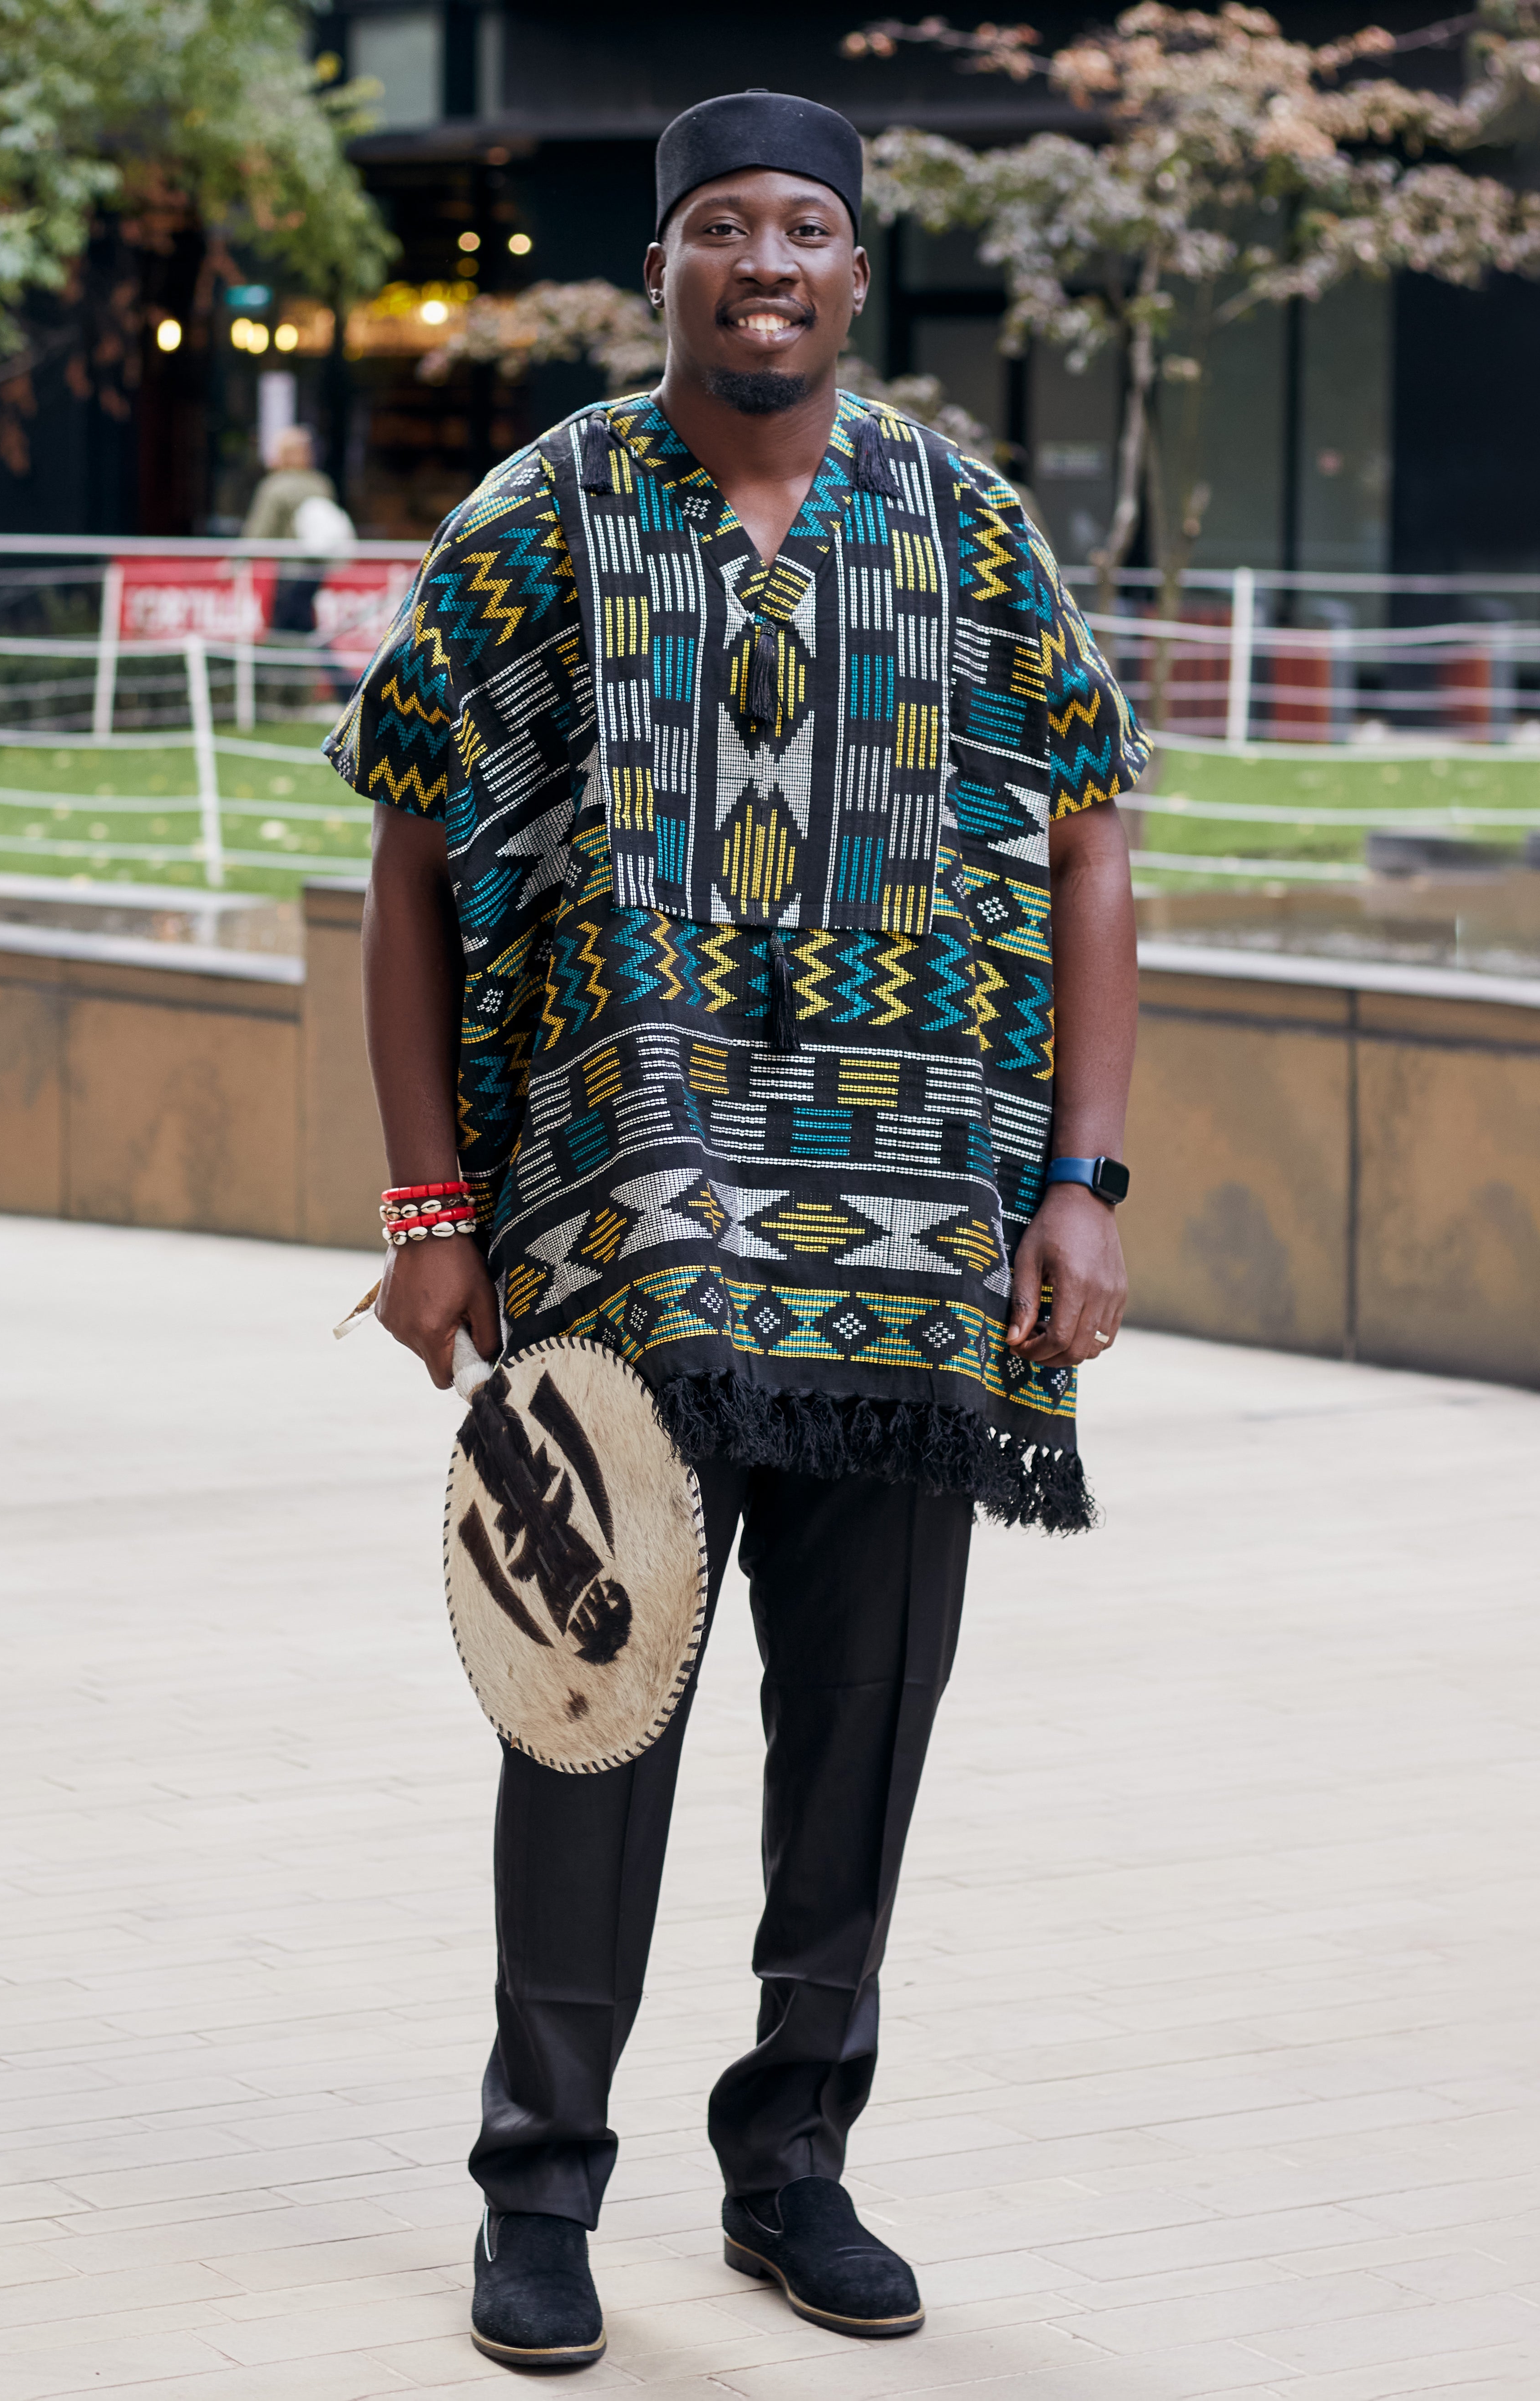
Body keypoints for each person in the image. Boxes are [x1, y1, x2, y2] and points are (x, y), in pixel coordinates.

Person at [327, 88, 1146, 2374]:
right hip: (621, 1232)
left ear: (855, 271)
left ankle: (792, 2157)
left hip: (923, 1242)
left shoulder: (964, 522)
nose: (762, 260)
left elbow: (1089, 835)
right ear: (665, 261)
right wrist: (424, 1204)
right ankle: (540, 2185)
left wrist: (1084, 1179)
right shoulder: (541, 516)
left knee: (864, 1724)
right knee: (588, 1699)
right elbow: (412, 859)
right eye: (718, 226)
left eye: (805, 226)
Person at [242, 424, 344, 633]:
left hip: (290, 569)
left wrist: (238, 559)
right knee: (304, 623)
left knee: (286, 629)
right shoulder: (321, 483)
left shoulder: (275, 486)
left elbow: (260, 533)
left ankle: (316, 666)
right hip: (317, 568)